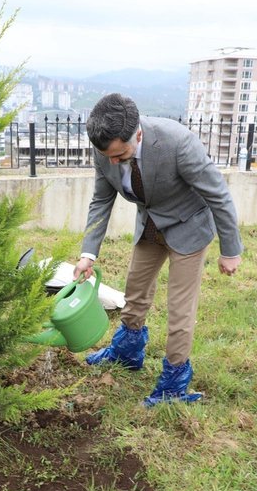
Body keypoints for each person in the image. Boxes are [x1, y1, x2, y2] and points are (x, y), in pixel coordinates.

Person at [73, 93, 243, 407]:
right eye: (107, 156)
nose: (112, 162)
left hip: (189, 225)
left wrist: (230, 249)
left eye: (120, 155)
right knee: (135, 291)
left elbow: (219, 195)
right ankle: (128, 352)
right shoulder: (104, 149)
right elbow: (101, 200)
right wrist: (88, 253)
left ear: (137, 134)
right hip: (150, 223)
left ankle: (174, 386)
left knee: (179, 310)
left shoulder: (178, 143)